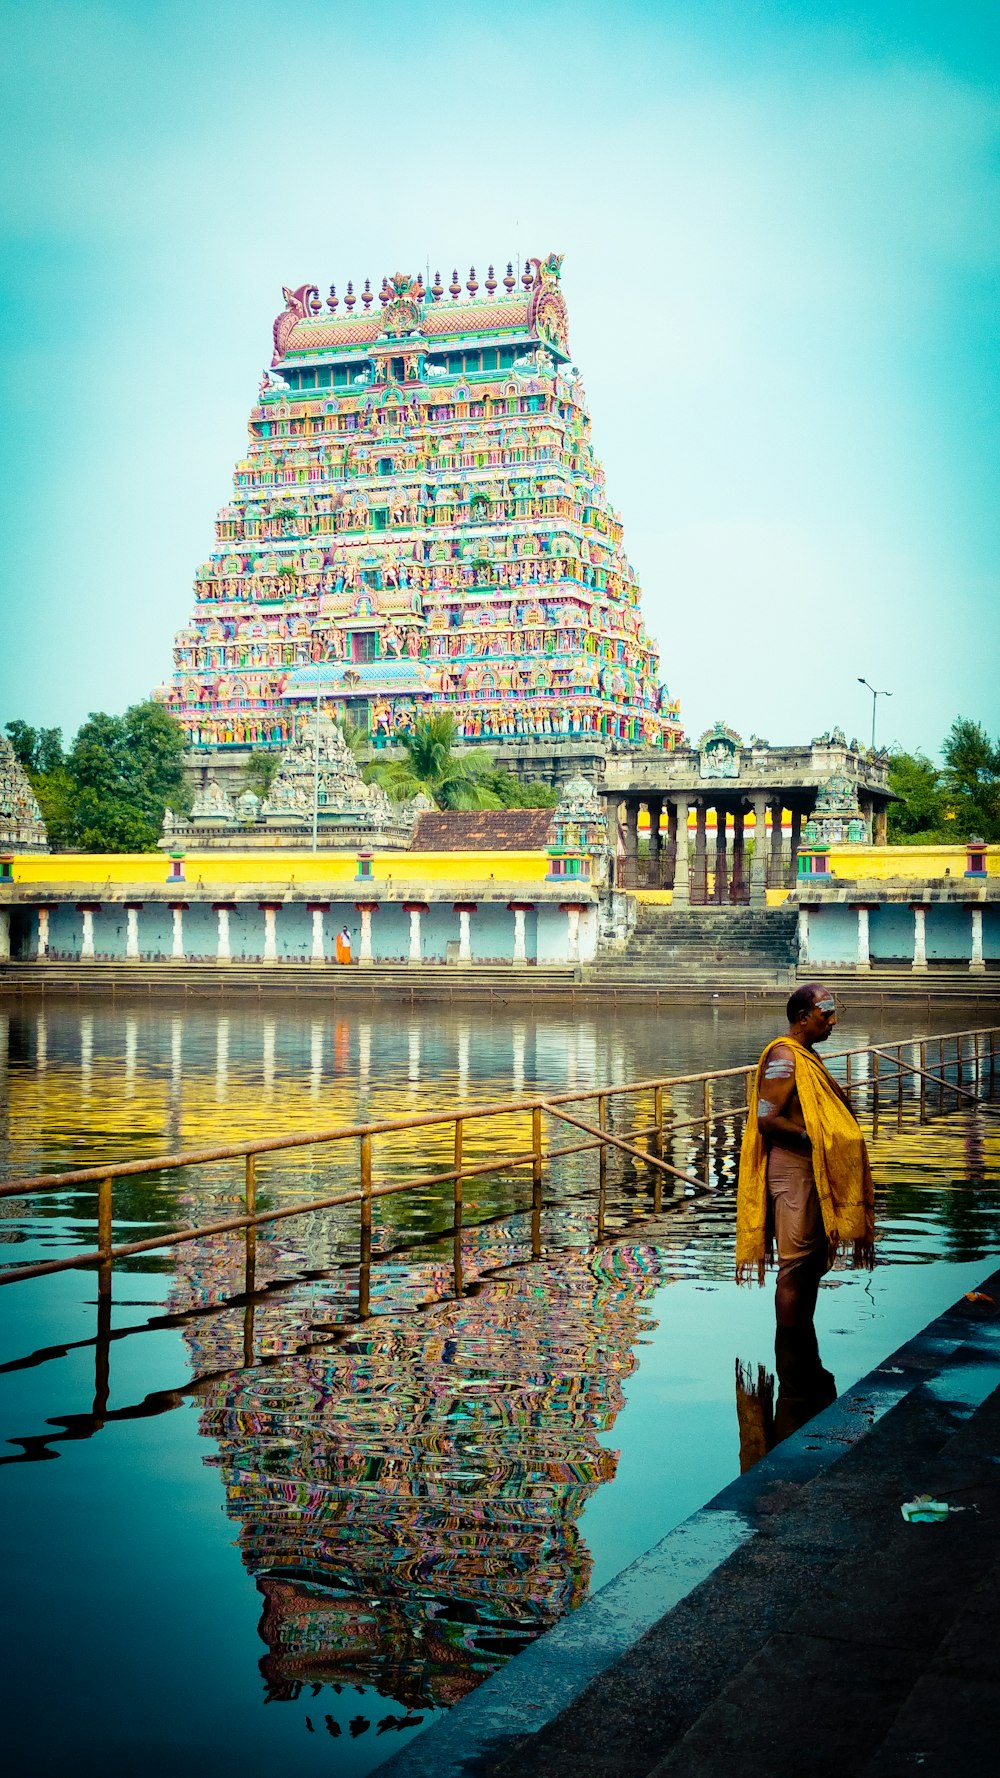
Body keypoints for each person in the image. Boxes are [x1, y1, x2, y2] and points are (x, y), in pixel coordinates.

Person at [736, 983, 874, 1329]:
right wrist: (813, 1136)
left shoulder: (806, 1054)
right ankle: (791, 1347)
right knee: (795, 1266)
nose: (833, 1021)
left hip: (812, 1168)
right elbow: (767, 1120)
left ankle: (803, 1339)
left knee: (814, 1261)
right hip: (792, 1171)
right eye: (825, 1014)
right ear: (802, 1018)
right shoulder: (784, 1057)